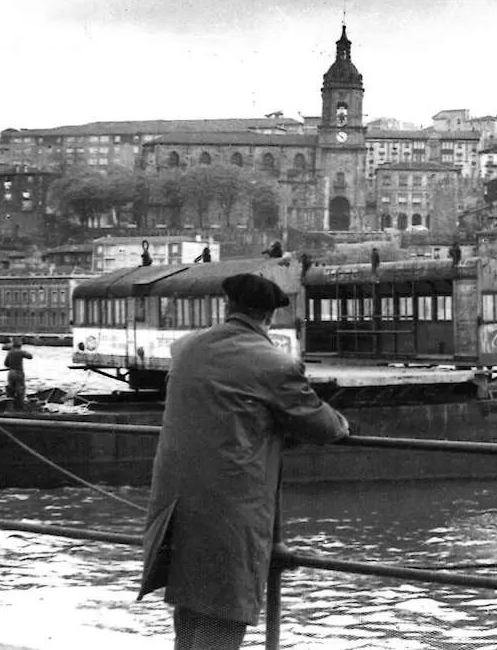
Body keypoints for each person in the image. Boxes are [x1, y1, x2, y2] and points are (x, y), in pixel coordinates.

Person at [140, 273, 349, 650]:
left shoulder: (187, 348)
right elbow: (324, 426)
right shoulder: (273, 363)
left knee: (188, 619)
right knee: (222, 621)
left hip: (178, 509)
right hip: (229, 514)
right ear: (268, 317)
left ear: (228, 308)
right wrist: (341, 420)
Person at [2, 339, 33, 409]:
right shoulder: (21, 352)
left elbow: (6, 364)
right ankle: (20, 406)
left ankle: (11, 406)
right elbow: (30, 356)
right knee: (20, 389)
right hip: (19, 372)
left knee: (11, 389)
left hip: (11, 373)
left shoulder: (10, 352)